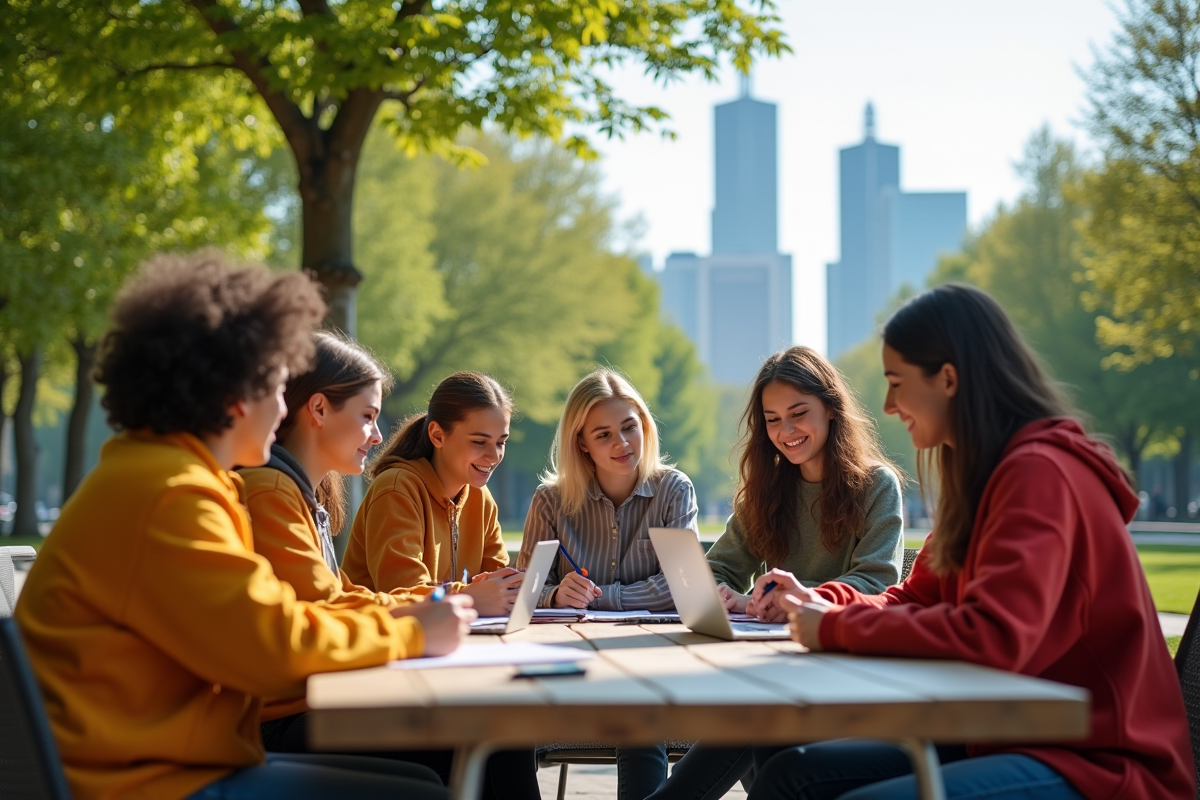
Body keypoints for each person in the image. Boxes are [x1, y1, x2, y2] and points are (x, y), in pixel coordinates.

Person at [14, 252, 474, 800]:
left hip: (154, 767)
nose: (284, 408)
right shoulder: (172, 494)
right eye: (278, 388)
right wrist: (413, 631)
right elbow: (274, 647)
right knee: (423, 793)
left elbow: (271, 620)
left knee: (420, 784)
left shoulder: (161, 476)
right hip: (147, 784)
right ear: (233, 394)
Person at [758, 283, 1195, 799]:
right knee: (791, 773)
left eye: (897, 382)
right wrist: (822, 601)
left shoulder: (1039, 474)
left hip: (1097, 760)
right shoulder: (981, 476)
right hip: (1005, 737)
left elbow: (993, 635)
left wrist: (835, 628)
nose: (889, 403)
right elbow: (917, 597)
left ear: (948, 379)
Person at [240, 332, 541, 799]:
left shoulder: (301, 495)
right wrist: (451, 604)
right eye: (367, 417)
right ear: (318, 410)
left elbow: (337, 602)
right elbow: (328, 613)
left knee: (501, 736)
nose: (378, 435)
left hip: (316, 699)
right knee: (496, 738)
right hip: (283, 719)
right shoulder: (274, 492)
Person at [648, 345, 904, 800]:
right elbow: (718, 568)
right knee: (760, 714)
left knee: (758, 714)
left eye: (798, 414)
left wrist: (801, 597)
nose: (786, 431)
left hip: (840, 663)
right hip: (775, 664)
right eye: (771, 419)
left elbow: (877, 581)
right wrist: (724, 594)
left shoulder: (876, 485)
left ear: (830, 408)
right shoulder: (764, 492)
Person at [519, 368, 699, 800]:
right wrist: (555, 595)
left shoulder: (673, 490)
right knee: (507, 716)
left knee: (640, 704)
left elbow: (682, 588)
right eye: (603, 435)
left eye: (629, 427)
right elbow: (522, 593)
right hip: (571, 662)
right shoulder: (550, 500)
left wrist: (599, 600)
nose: (621, 444)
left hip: (655, 662)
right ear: (581, 442)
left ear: (644, 426)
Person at [343, 371, 523, 616]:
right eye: (479, 442)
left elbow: (498, 582)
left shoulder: (482, 499)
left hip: (448, 636)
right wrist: (469, 596)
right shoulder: (396, 489)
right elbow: (402, 591)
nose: (494, 456)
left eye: (501, 442)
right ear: (437, 435)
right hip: (385, 639)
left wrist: (541, 593)